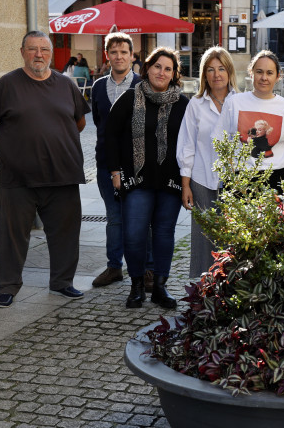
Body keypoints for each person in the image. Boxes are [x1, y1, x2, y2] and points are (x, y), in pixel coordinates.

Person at [0, 30, 89, 308]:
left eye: (44, 49)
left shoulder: (66, 84)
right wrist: (12, 144)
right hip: (18, 178)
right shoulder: (7, 85)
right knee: (12, 236)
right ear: (22, 52)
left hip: (62, 176)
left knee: (65, 233)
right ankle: (7, 287)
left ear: (51, 53)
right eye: (32, 49)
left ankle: (63, 282)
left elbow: (79, 122)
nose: (39, 54)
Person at [106, 47, 189, 309]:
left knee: (164, 233)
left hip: (169, 181)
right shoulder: (130, 98)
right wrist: (115, 171)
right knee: (134, 234)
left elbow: (190, 142)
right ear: (147, 68)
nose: (161, 72)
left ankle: (160, 288)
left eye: (168, 68)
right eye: (157, 66)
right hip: (137, 181)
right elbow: (109, 136)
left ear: (174, 74)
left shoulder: (183, 104)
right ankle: (137, 287)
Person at [176, 46, 238, 278]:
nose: (216, 74)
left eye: (221, 68)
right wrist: (185, 185)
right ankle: (203, 293)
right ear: (204, 75)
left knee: (233, 236)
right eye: (210, 70)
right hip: (201, 181)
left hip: (234, 182)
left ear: (229, 71)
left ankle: (231, 288)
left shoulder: (240, 102)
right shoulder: (196, 104)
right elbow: (186, 146)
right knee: (203, 238)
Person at [89, 32, 142, 288]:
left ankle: (145, 270)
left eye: (124, 52)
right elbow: (100, 122)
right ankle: (114, 267)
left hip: (137, 165)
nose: (119, 56)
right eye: (114, 52)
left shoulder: (143, 85)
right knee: (114, 218)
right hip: (105, 164)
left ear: (132, 56)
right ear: (107, 55)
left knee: (141, 218)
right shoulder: (98, 86)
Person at [216, 50, 284, 193]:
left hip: (277, 178)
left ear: (278, 76)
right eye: (259, 72)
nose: (264, 77)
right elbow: (220, 140)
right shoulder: (234, 103)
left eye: (269, 73)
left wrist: (273, 163)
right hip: (241, 177)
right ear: (251, 73)